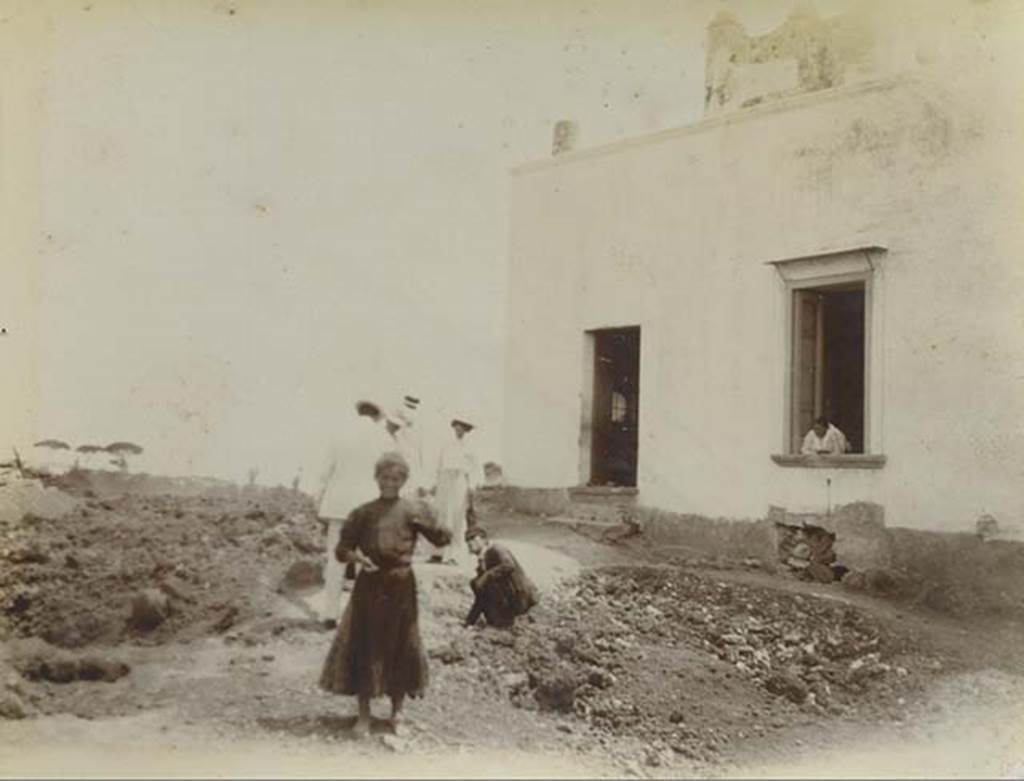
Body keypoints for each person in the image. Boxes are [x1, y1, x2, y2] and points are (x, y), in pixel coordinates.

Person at [319, 451, 451, 738]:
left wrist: (430, 513)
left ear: (404, 480)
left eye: (396, 478)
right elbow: (341, 551)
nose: (390, 483)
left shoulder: (411, 510)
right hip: (370, 585)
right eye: (385, 477)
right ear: (376, 478)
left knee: (401, 645)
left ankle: (397, 713)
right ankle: (363, 716)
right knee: (366, 646)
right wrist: (358, 558)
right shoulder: (362, 513)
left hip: (401, 586)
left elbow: (444, 538)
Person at [316, 400, 397, 626]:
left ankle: (330, 614)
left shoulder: (339, 434)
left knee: (335, 559)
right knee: (367, 560)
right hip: (368, 507)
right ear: (377, 416)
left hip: (338, 504)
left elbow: (325, 471)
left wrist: (319, 498)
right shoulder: (384, 439)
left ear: (359, 412)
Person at [463, 527, 538, 629]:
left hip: (519, 596)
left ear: (478, 540)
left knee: (484, 583)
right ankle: (496, 619)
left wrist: (486, 576)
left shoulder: (497, 550)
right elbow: (480, 596)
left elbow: (509, 565)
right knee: (476, 583)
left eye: (470, 545)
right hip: (507, 595)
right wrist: (469, 621)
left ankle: (507, 618)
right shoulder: (483, 558)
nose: (469, 549)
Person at [430, 417, 480, 565]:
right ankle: (438, 552)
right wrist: (435, 483)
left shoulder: (470, 447)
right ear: (454, 427)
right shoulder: (446, 444)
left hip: (459, 482)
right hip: (445, 482)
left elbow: (476, 468)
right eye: (457, 426)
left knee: (457, 517)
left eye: (463, 427)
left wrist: (472, 485)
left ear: (467, 429)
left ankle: (454, 555)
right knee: (442, 516)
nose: (460, 429)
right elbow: (439, 465)